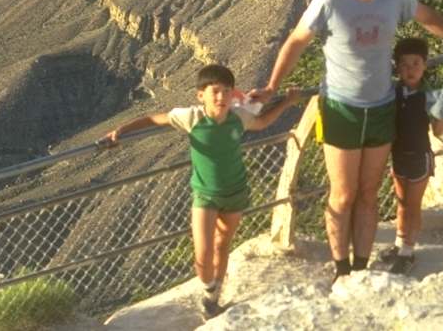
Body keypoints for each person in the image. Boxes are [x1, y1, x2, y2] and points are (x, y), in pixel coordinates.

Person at [250, 0, 443, 282]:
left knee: (368, 194)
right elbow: (295, 41)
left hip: (381, 108)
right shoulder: (330, 0)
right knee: (343, 193)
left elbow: (427, 17)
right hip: (340, 109)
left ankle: (361, 267)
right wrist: (272, 86)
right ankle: (341, 269)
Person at [103, 64, 301, 318]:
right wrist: (120, 132)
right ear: (201, 95)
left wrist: (287, 102)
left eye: (226, 91)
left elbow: (262, 122)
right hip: (204, 194)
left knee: (222, 245)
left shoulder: (239, 116)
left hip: (236, 192)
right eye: (215, 91)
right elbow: (155, 118)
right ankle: (209, 287)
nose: (221, 97)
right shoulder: (192, 118)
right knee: (203, 253)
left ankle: (212, 299)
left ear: (232, 94)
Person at [379, 36, 443, 275]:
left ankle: (408, 252)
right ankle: (401, 244)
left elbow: (437, 130)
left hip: (420, 157)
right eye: (405, 64)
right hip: (398, 156)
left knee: (413, 205)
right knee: (401, 204)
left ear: (424, 65)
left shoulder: (429, 96)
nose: (410, 70)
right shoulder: (393, 92)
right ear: (397, 67)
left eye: (415, 64)